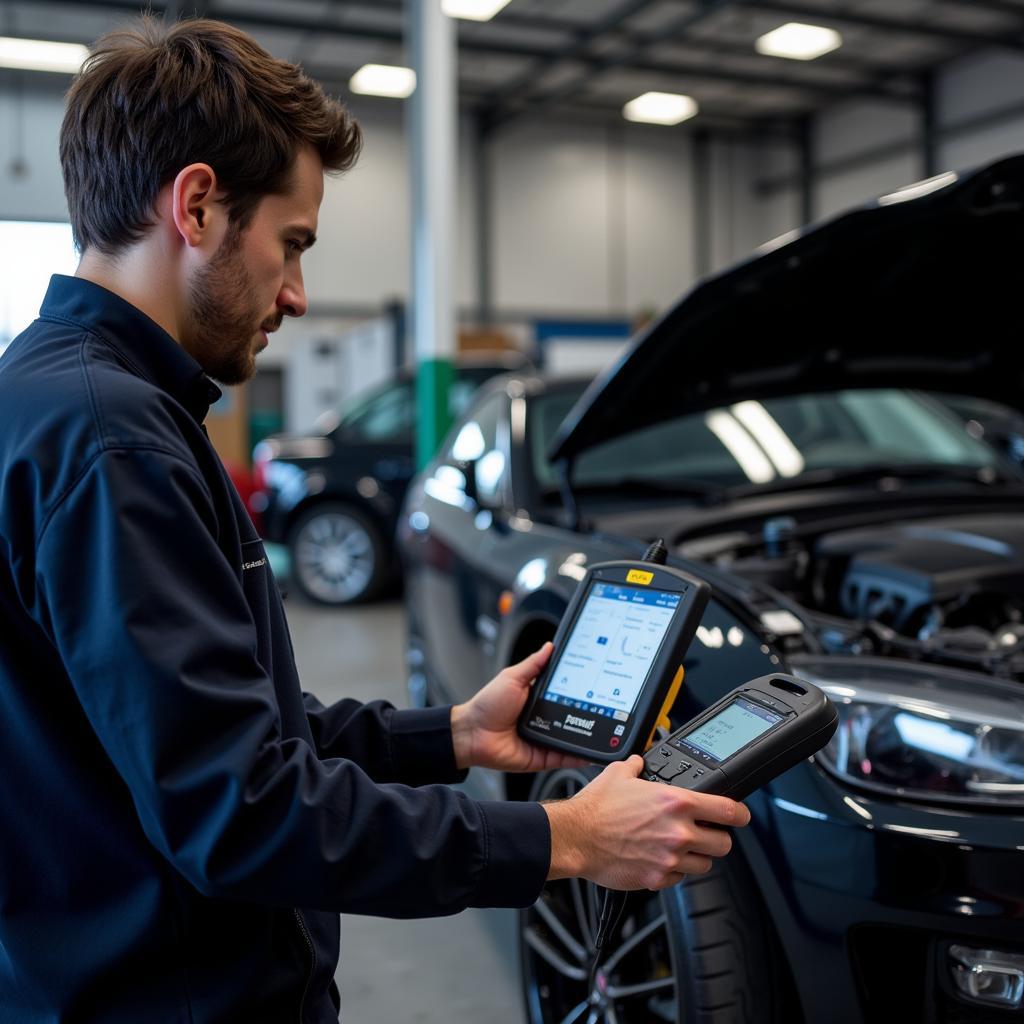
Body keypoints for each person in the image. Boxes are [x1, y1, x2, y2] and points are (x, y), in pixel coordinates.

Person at [0, 17, 750, 1023]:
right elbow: (240, 812)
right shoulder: (114, 440)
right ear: (197, 205)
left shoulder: (50, 396)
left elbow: (212, 723)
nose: (299, 295)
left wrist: (447, 734)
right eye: (293, 244)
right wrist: (563, 840)